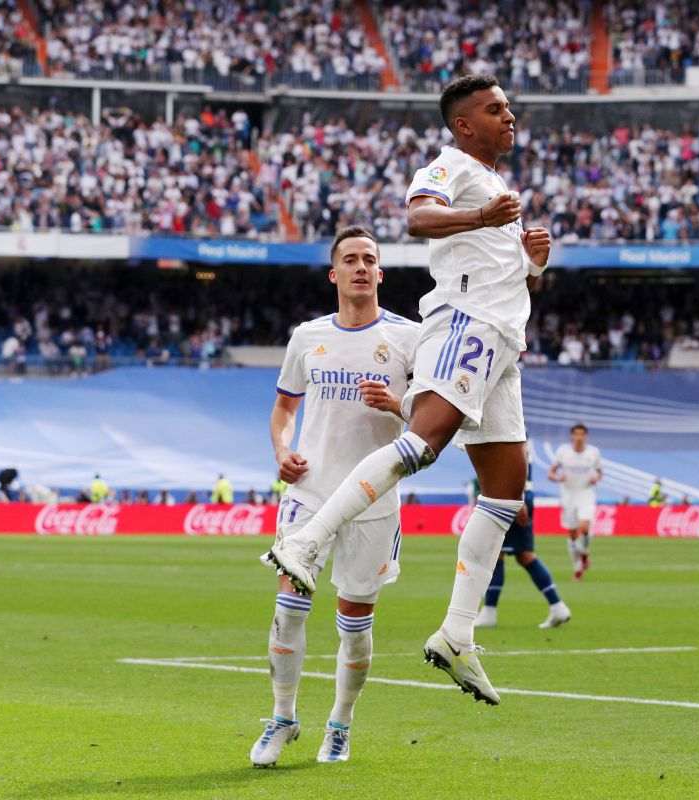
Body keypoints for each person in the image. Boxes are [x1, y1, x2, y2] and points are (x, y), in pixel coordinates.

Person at [266, 75, 552, 706]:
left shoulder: (497, 184)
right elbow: (418, 216)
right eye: (495, 109)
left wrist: (534, 262)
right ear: (464, 125)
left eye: (508, 107)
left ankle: (457, 633)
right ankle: (307, 542)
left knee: (507, 490)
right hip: (468, 324)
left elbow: (509, 279)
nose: (509, 116)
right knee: (424, 441)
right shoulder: (452, 165)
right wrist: (481, 216)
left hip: (504, 340)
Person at [252, 226, 419, 767]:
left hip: (374, 502)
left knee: (355, 624)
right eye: (350, 259)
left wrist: (397, 404)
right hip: (311, 492)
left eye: (369, 259)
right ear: (334, 273)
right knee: (287, 610)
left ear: (381, 273)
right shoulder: (307, 336)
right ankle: (282, 717)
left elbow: (437, 417)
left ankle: (340, 724)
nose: (360, 267)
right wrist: (282, 449)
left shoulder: (410, 338)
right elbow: (284, 409)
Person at [477, 443, 570, 628]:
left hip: (510, 494)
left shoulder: (512, 429)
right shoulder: (519, 429)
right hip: (516, 493)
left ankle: (489, 613)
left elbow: (514, 459)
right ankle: (557, 607)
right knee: (523, 555)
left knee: (498, 553)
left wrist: (518, 498)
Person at [548, 423, 602, 580]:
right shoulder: (563, 452)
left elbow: (600, 472)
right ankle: (578, 566)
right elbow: (551, 473)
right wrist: (558, 478)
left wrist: (596, 478)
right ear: (572, 436)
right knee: (572, 534)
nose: (579, 437)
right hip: (568, 496)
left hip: (586, 494)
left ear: (586, 436)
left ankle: (584, 553)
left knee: (584, 527)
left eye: (582, 434)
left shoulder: (593, 453)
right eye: (576, 434)